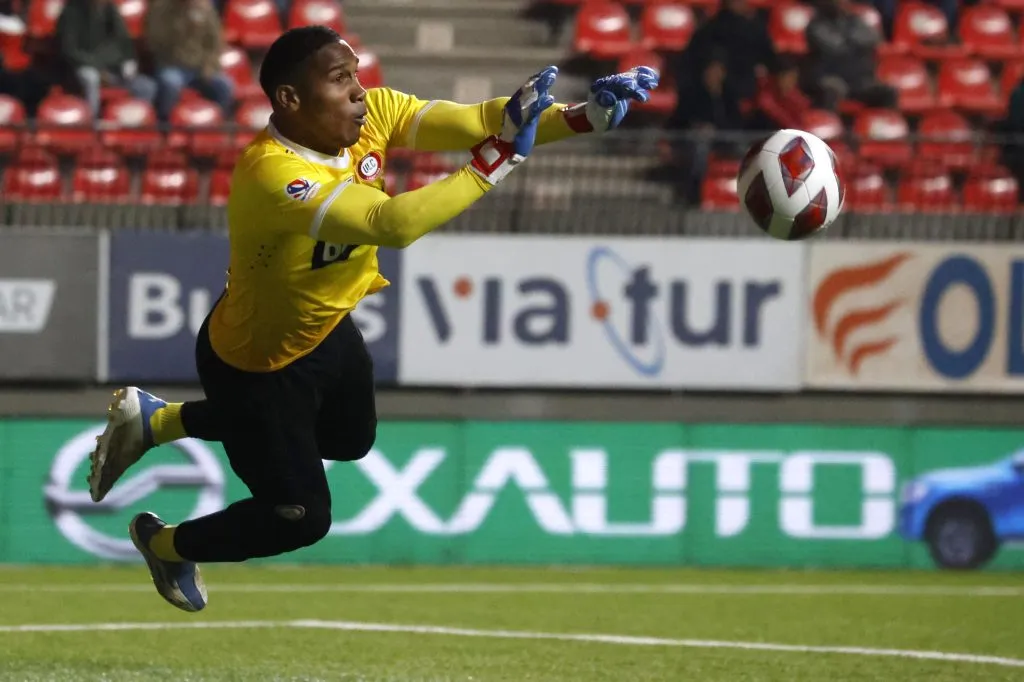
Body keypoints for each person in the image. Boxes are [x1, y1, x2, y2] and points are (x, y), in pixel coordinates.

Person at [87, 25, 658, 612]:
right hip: (258, 361)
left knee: (348, 439)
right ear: (290, 100)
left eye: (356, 75)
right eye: (339, 80)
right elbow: (393, 224)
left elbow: (484, 119)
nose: (360, 91)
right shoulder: (274, 173)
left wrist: (586, 116)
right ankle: (165, 542)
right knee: (301, 518)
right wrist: (492, 165)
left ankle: (159, 422)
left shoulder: (375, 112)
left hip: (326, 329)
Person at [55, 0, 157, 116]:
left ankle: (138, 126)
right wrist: (99, 67)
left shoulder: (110, 9)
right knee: (91, 77)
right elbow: (69, 50)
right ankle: (93, 123)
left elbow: (123, 43)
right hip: (80, 68)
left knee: (146, 86)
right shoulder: (71, 11)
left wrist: (128, 61)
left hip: (111, 69)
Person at [144, 0, 234, 119]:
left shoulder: (205, 9)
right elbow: (155, 42)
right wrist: (182, 19)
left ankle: (219, 125)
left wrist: (209, 66)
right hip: (171, 65)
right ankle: (165, 125)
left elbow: (215, 43)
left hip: (200, 68)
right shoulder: (160, 8)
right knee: (170, 83)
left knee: (224, 85)